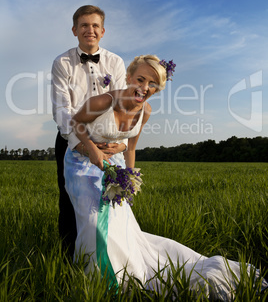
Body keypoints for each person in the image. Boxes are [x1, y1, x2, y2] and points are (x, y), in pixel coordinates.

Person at [64, 54, 267, 300]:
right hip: (82, 163)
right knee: (94, 222)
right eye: (140, 79)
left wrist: (129, 177)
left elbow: (130, 146)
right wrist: (93, 149)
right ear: (128, 77)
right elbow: (75, 123)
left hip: (114, 165)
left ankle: (124, 272)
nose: (144, 88)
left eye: (152, 84)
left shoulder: (145, 111)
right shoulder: (104, 101)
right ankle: (97, 280)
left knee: (120, 225)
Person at [51, 5, 127, 257]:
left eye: (95, 25)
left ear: (103, 31)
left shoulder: (115, 62)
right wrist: (85, 145)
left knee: (112, 202)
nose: (90, 30)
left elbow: (124, 108)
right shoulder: (62, 62)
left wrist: (122, 143)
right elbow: (63, 110)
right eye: (84, 25)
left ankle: (114, 258)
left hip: (108, 143)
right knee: (71, 203)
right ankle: (69, 260)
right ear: (74, 30)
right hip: (72, 142)